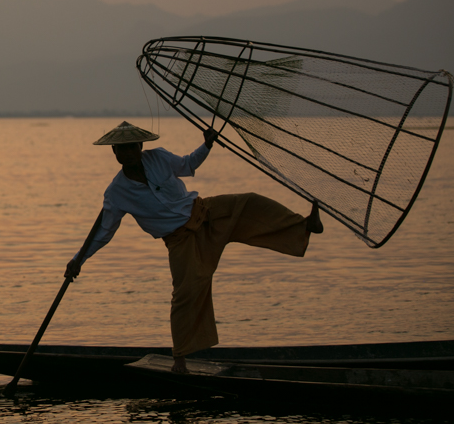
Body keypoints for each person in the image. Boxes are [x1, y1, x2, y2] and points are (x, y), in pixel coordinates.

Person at [64, 121, 323, 373]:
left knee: (249, 204)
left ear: (141, 146)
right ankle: (181, 358)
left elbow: (187, 165)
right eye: (123, 149)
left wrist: (206, 145)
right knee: (186, 292)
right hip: (179, 240)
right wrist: (78, 260)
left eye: (133, 147)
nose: (129, 153)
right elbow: (103, 233)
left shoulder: (159, 158)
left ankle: (303, 226)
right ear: (115, 152)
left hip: (203, 212)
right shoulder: (116, 192)